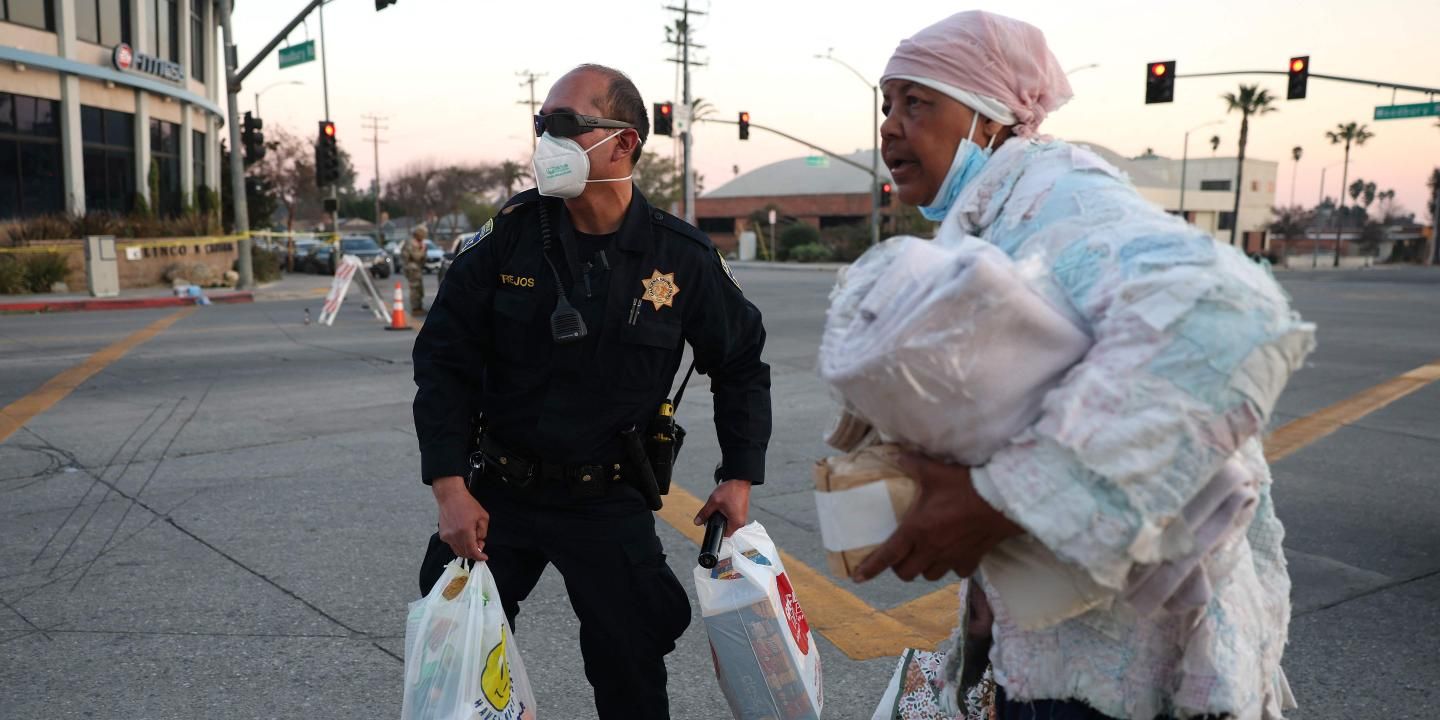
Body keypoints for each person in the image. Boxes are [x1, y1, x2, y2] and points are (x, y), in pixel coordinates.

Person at [851, 11, 1313, 720]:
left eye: (918, 102)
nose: (888, 126)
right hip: (1058, 638)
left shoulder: (1059, 196)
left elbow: (1229, 313)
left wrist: (1004, 500)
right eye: (886, 104)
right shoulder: (991, 217)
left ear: (992, 116)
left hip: (1121, 672)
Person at [411, 64, 771, 720]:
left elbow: (741, 362)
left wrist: (740, 475)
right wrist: (448, 486)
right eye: (541, 124)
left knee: (630, 672)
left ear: (625, 143)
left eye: (565, 125)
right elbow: (442, 360)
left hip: (606, 498)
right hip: (497, 492)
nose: (545, 140)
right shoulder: (509, 239)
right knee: (452, 667)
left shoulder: (679, 258)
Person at [401, 226, 429, 315]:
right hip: (412, 269)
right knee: (415, 288)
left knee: (419, 289)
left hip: (417, 268)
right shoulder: (412, 243)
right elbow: (416, 257)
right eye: (423, 234)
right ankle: (415, 308)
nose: (424, 237)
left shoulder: (417, 242)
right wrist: (423, 249)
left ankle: (419, 307)